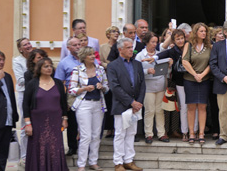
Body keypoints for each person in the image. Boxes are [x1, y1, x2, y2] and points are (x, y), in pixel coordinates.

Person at [23, 57, 69, 171]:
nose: (49, 68)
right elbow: (25, 105)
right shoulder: (32, 84)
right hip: (37, 122)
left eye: (50, 66)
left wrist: (65, 118)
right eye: (46, 66)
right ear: (39, 68)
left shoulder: (58, 83)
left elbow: (63, 103)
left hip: (55, 121)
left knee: (55, 147)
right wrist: (28, 124)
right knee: (38, 147)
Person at [107, 38, 146, 171]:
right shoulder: (113, 66)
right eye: (128, 48)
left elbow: (142, 85)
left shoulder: (137, 64)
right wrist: (131, 102)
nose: (131, 50)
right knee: (120, 134)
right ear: (120, 50)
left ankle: (129, 160)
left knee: (131, 133)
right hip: (121, 105)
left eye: (132, 47)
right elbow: (115, 87)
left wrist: (138, 102)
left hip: (135, 106)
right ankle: (118, 162)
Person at [69, 47, 109, 171]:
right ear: (84, 57)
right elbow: (72, 89)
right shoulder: (77, 70)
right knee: (86, 135)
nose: (92, 57)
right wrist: (84, 89)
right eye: (90, 55)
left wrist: (101, 86)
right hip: (84, 104)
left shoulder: (100, 69)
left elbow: (107, 88)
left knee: (96, 135)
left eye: (93, 54)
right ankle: (81, 164)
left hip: (98, 104)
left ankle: (93, 162)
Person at [149, 29, 190, 141]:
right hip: (179, 82)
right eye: (178, 39)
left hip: (192, 80)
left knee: (192, 106)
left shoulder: (189, 48)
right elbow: (161, 55)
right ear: (174, 40)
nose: (180, 41)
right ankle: (183, 131)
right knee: (181, 107)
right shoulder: (172, 51)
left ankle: (193, 131)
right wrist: (153, 58)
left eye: (182, 38)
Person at [135, 32, 169, 144]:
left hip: (160, 84)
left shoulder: (159, 54)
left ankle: (161, 133)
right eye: (152, 42)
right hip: (148, 86)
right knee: (150, 110)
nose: (155, 44)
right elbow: (136, 72)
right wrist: (147, 71)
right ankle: (148, 134)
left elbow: (165, 69)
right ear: (147, 42)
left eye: (156, 42)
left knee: (160, 110)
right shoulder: (140, 55)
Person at [182, 23, 213, 144]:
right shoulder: (188, 45)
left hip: (204, 80)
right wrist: (195, 74)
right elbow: (184, 61)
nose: (204, 33)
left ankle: (201, 133)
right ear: (196, 32)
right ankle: (191, 133)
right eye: (201, 31)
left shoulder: (209, 46)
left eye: (205, 31)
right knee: (191, 107)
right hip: (190, 80)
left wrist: (202, 75)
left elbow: (212, 63)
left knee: (202, 107)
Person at [54, 37, 82, 156]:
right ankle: (72, 147)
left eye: (79, 44)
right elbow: (59, 82)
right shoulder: (64, 62)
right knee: (72, 122)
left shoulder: (88, 59)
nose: (78, 47)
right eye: (74, 45)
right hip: (72, 95)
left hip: (88, 94)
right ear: (68, 48)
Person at [0, 50, 19, 171]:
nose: (2, 62)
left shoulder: (7, 76)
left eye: (3, 59)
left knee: (3, 155)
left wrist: (14, 115)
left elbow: (11, 97)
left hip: (7, 121)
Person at [12, 38, 33, 164]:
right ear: (20, 49)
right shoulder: (17, 61)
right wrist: (35, 80)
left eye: (29, 43)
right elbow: (20, 80)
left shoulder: (37, 57)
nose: (28, 46)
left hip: (38, 94)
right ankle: (24, 156)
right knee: (26, 124)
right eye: (25, 45)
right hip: (24, 94)